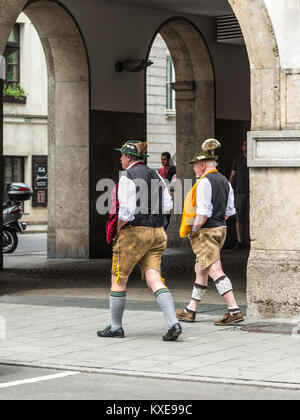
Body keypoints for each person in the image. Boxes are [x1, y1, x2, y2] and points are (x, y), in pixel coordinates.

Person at [97, 140, 182, 341]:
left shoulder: (127, 176)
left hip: (134, 234)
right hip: (157, 232)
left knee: (118, 278)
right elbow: (168, 205)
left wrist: (117, 229)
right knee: (154, 277)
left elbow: (126, 212)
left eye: (122, 156)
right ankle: (173, 323)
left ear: (128, 157)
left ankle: (116, 326)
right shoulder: (157, 175)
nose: (120, 159)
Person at [176, 138, 244, 326]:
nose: (194, 168)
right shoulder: (224, 181)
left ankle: (234, 310)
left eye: (196, 165)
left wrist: (195, 229)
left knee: (215, 269)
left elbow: (202, 213)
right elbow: (230, 212)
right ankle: (191, 310)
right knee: (201, 268)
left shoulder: (204, 182)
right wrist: (217, 223)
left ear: (203, 165)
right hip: (220, 228)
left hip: (206, 231)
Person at [229, 139, 249, 250]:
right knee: (239, 218)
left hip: (253, 193)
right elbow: (232, 176)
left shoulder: (253, 159)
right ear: (242, 147)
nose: (246, 147)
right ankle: (240, 242)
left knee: (252, 218)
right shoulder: (237, 160)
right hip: (240, 193)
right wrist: (230, 192)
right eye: (244, 145)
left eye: (247, 145)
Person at [158, 152, 176, 231]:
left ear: (169, 160)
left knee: (169, 215)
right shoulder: (160, 170)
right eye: (161, 160)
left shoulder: (174, 169)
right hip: (162, 196)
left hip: (172, 195)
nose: (163, 161)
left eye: (165, 160)